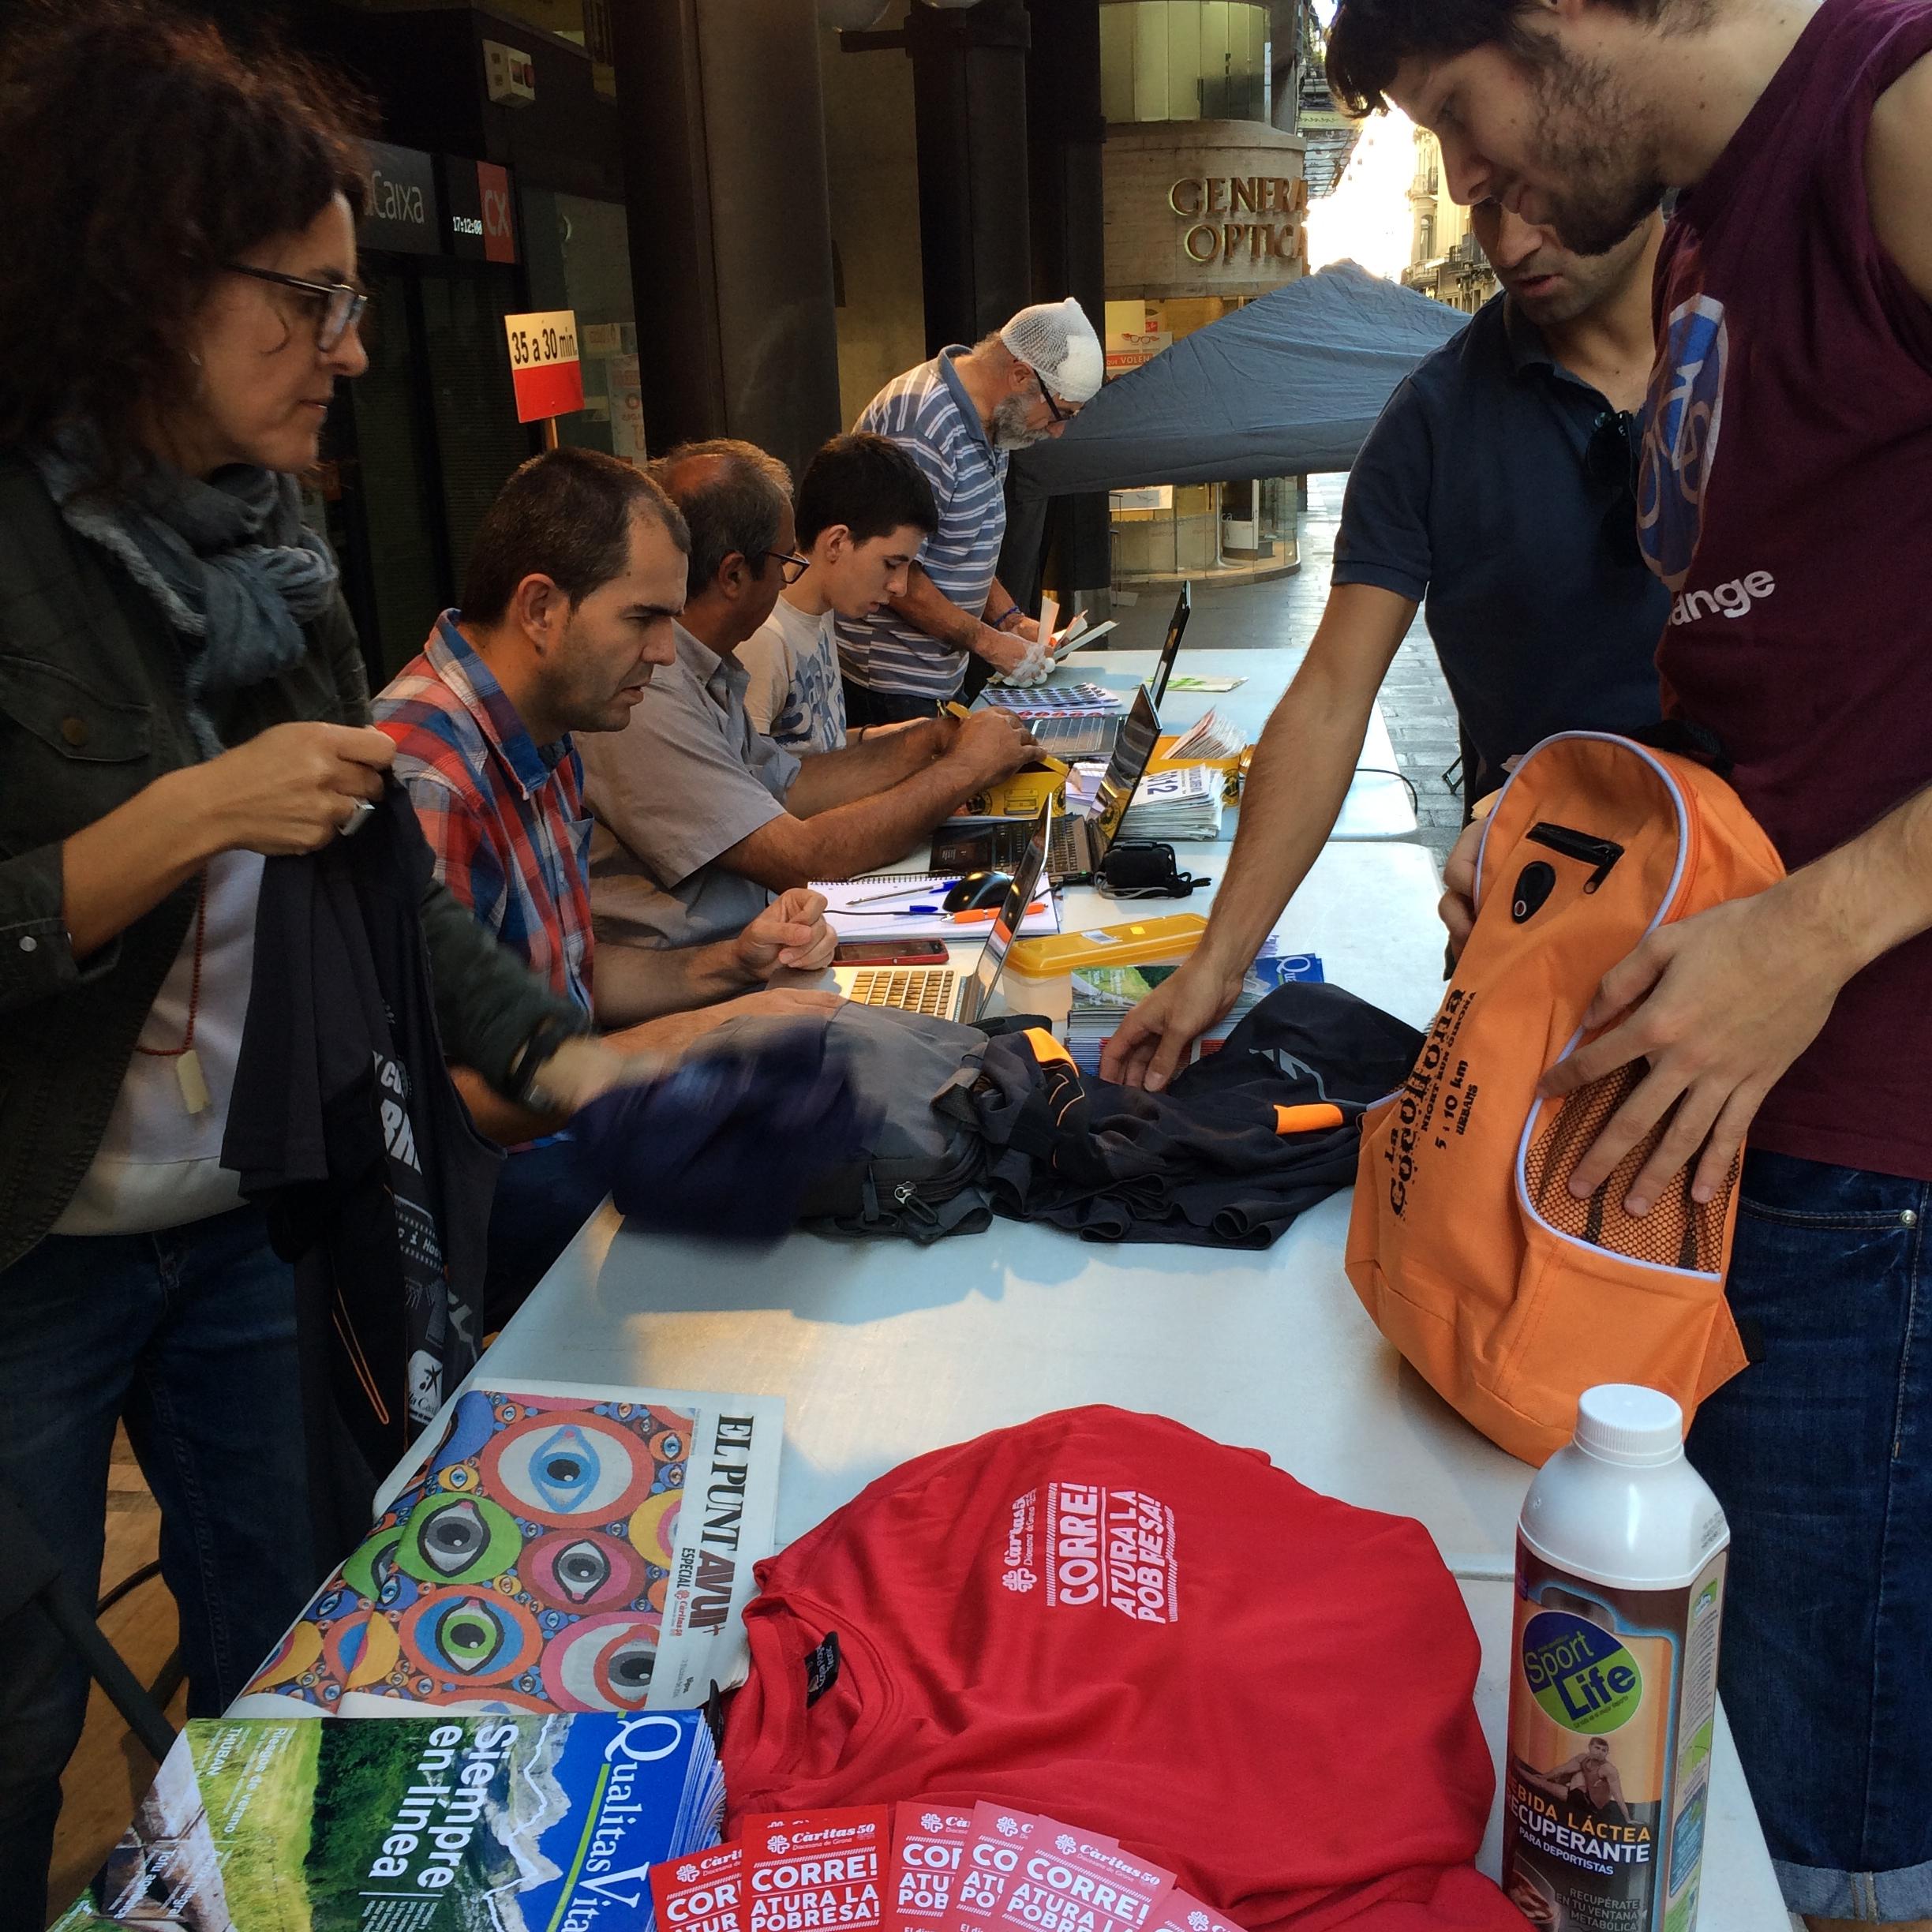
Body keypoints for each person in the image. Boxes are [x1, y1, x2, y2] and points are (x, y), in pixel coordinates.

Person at [0, 8, 635, 1920]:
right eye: (315, 301)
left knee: (302, 1637)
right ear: (153, 275)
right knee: (17, 1712)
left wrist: (572, 1058)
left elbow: (378, 889)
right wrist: (192, 813)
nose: (354, 351)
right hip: (29, 1252)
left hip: (255, 1218)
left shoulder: (275, 544)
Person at [1322, 0, 1932, 1924]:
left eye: (1455, 114)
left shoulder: (1890, 119)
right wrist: (1566, 871)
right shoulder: (1699, 236)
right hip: (1729, 1129)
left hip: (1875, 1159)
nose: (1460, 180)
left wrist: (1821, 929)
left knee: (1817, 1827)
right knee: (1693, 1772)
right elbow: (1772, 680)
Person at [1101, 197, 1667, 1091]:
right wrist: (1218, 962)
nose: (1510, 241)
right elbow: (1332, 693)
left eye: (1545, 194)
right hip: (1531, 956)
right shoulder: (1435, 419)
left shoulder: (1792, 351)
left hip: (1782, 978)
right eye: (1482, 199)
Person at [375, 446, 841, 1319]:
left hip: (559, 1152)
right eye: (643, 618)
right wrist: (693, 1040)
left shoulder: (543, 728)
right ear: (541, 608)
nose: (666, 652)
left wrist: (731, 969)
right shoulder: (428, 774)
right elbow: (438, 1109)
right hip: (493, 1212)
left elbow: (566, 978)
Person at [580, 439, 1038, 953]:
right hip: (715, 965)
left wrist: (933, 742)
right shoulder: (649, 696)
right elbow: (801, 857)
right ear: (732, 574)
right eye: (783, 563)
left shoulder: (707, 667)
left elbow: (791, 784)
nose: (788, 577)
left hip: (763, 944)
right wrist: (962, 770)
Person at [837, 299, 1104, 727]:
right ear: (1020, 376)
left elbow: (964, 547)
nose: (1057, 432)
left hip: (939, 672)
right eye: (1061, 413)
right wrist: (991, 644)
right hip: (888, 683)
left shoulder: (993, 423)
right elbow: (897, 572)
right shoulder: (922, 420)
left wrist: (1009, 621)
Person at [739, 432, 939, 754]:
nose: (899, 587)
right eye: (891, 564)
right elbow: (753, 785)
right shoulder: (765, 639)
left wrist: (895, 736)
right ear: (837, 542)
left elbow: (813, 747)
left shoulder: (825, 610)